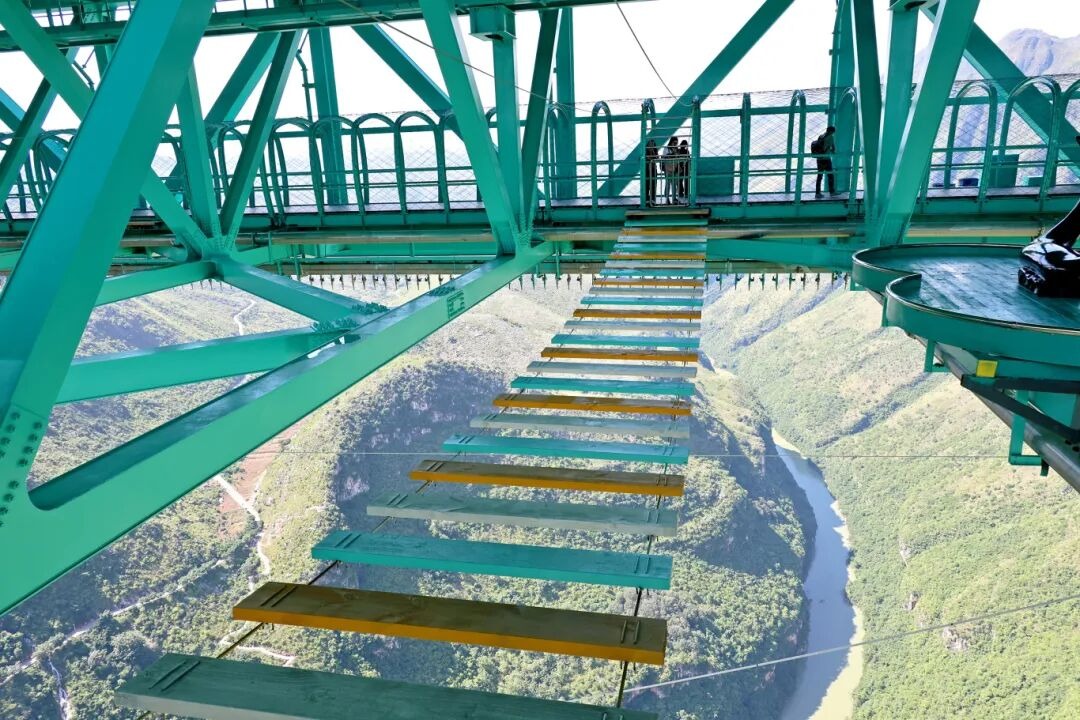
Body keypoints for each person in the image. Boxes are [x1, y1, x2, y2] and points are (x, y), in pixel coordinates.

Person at [812, 126, 837, 199]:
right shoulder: (830, 137)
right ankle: (832, 192)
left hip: (819, 159)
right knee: (830, 175)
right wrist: (832, 151)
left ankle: (817, 193)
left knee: (820, 176)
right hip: (826, 158)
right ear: (832, 131)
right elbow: (833, 148)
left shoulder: (821, 136)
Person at [662, 136, 680, 204]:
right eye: (674, 142)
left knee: (674, 184)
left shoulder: (677, 149)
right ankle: (667, 199)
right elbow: (664, 156)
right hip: (667, 168)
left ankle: (674, 198)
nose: (675, 144)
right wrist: (673, 154)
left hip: (674, 168)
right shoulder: (666, 148)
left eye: (676, 142)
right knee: (668, 184)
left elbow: (678, 158)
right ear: (671, 141)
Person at [645, 140, 659, 206]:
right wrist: (651, 158)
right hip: (647, 169)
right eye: (650, 144)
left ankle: (653, 200)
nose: (651, 146)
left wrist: (653, 151)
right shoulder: (645, 151)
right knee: (647, 185)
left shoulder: (655, 151)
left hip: (653, 169)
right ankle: (647, 200)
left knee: (653, 184)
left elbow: (657, 158)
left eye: (653, 144)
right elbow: (647, 158)